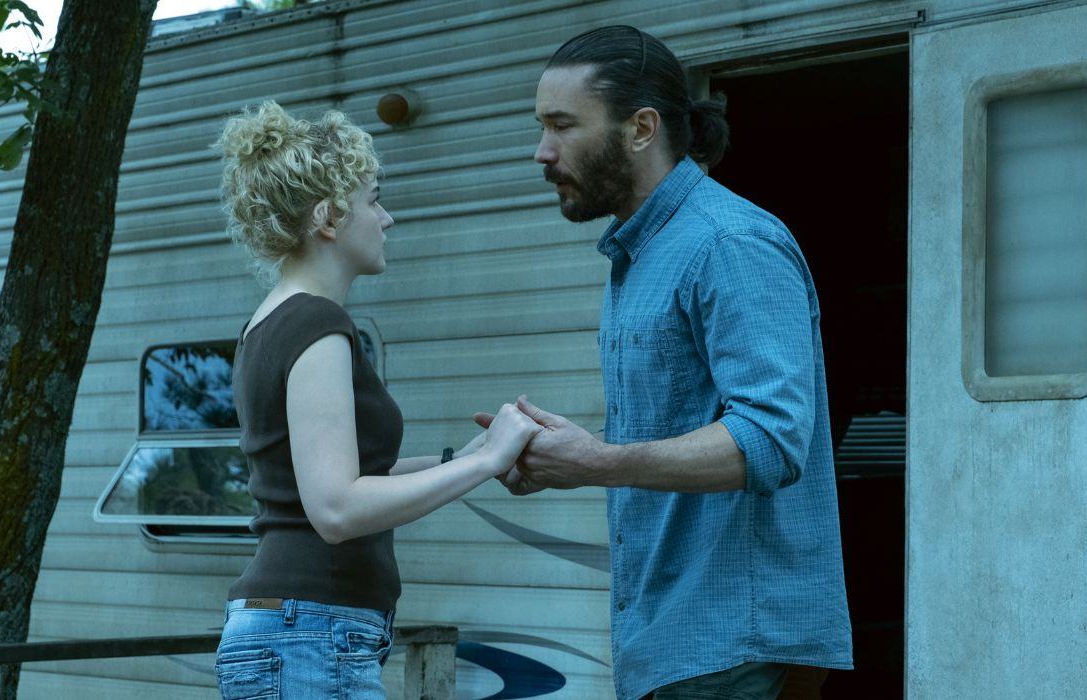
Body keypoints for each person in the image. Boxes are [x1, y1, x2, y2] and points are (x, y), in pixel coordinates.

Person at [487, 25, 853, 700]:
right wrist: (564, 455)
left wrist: (596, 461)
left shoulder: (728, 242)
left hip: (732, 646)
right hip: (673, 643)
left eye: (562, 126)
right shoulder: (640, 253)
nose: (542, 152)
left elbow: (770, 440)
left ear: (641, 128)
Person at [211, 100, 542, 700]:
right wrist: (487, 464)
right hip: (310, 632)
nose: (386, 218)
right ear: (329, 218)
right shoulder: (317, 325)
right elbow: (336, 509)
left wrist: (464, 457)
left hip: (295, 630)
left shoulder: (271, 322)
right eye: (372, 199)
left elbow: (336, 479)